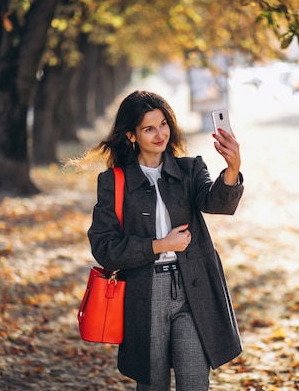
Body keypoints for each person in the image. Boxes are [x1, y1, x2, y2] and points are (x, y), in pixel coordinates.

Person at [84, 90, 244, 390]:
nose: (160, 134)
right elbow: (104, 248)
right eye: (149, 128)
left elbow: (216, 202)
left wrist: (232, 168)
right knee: (153, 383)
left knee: (195, 381)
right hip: (145, 293)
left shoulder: (189, 169)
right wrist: (159, 246)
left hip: (192, 288)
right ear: (131, 135)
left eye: (163, 124)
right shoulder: (114, 182)